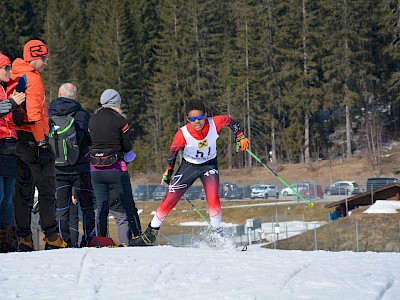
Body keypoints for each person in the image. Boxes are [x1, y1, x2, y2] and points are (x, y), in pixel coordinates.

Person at [129, 98, 250, 246]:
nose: (197, 122)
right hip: (189, 167)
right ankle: (150, 234)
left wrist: (240, 136)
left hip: (209, 165)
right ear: (188, 119)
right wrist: (168, 172)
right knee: (170, 197)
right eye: (192, 119)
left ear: (205, 115)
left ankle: (218, 235)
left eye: (199, 117)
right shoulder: (183, 133)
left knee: (213, 197)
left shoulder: (214, 123)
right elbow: (172, 153)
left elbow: (230, 120)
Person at [10, 40, 67, 251]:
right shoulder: (32, 78)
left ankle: (24, 238)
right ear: (35, 57)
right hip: (34, 141)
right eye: (45, 60)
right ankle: (52, 236)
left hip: (17, 141)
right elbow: (34, 115)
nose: (46, 64)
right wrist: (42, 142)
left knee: (22, 192)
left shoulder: (15, 73)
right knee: (46, 190)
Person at [88, 89, 141, 240]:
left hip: (96, 170)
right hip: (116, 169)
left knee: (101, 207)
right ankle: (137, 236)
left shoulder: (92, 119)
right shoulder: (120, 120)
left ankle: (101, 239)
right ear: (116, 102)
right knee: (128, 205)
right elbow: (127, 147)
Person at [48, 83, 96, 247]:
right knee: (87, 205)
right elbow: (89, 140)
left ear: (59, 93)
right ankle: (89, 238)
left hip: (58, 167)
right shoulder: (82, 115)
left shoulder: (49, 113)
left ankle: (64, 240)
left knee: (62, 207)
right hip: (80, 167)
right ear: (75, 96)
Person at [0, 52, 26, 253]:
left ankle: (6, 240)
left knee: (8, 197)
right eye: (6, 67)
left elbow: (14, 120)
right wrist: (12, 104)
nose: (10, 71)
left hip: (10, 147)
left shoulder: (8, 89)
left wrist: (17, 109)